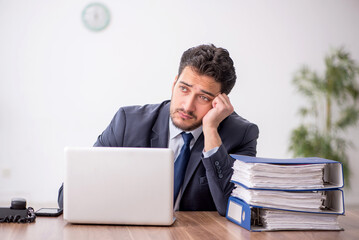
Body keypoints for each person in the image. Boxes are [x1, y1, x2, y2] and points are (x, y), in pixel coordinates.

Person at [58, 44, 259, 216]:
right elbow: (67, 198)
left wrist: (211, 131)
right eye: (184, 89)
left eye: (204, 97)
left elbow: (231, 208)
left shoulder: (241, 134)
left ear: (220, 102)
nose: (188, 106)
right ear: (174, 84)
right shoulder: (128, 122)